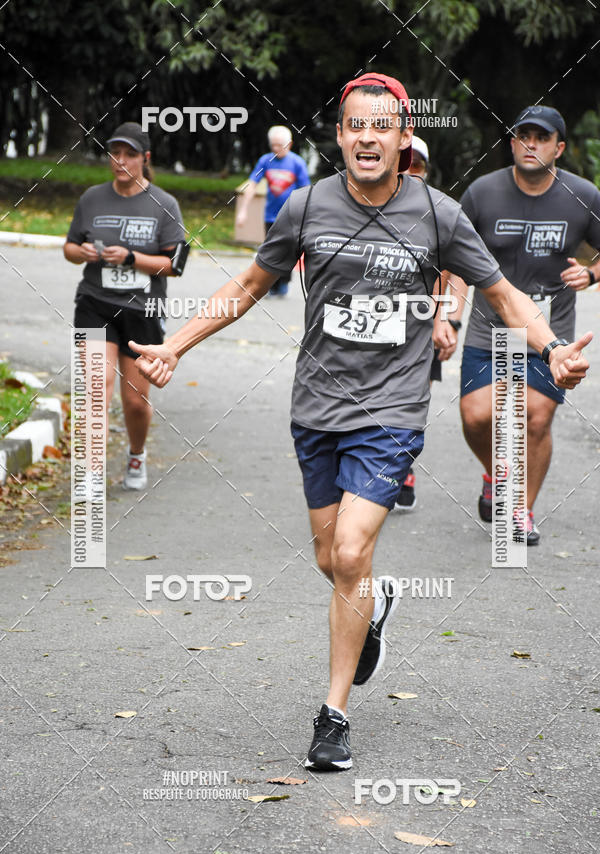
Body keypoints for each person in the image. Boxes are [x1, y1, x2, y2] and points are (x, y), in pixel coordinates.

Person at [129, 77, 591, 772]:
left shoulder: (437, 213)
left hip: (391, 410)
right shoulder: (308, 204)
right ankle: (373, 611)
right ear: (340, 136)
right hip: (316, 407)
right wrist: (175, 344)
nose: (368, 137)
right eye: (354, 126)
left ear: (405, 137)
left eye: (382, 126)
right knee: (332, 561)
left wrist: (551, 346)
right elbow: (247, 287)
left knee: (349, 553)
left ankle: (334, 713)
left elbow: (501, 293)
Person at [448, 105, 600, 544]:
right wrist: (449, 316)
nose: (530, 143)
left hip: (550, 332)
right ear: (512, 142)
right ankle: (497, 474)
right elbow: (454, 258)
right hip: (488, 324)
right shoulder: (481, 193)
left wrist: (590, 274)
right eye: (522, 135)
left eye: (541, 136)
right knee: (477, 417)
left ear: (559, 147)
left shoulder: (584, 196)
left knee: (535, 419)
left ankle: (520, 509)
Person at [64, 122, 185, 491]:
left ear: (145, 158)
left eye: (130, 154)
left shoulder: (164, 204)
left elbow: (174, 265)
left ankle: (136, 453)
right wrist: (81, 252)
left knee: (135, 400)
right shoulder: (92, 198)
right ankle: (91, 470)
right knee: (96, 385)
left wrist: (132, 258)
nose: (120, 160)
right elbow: (69, 249)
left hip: (142, 309)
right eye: (115, 153)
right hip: (95, 302)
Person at [395, 135, 466, 511]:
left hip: (422, 328)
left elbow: (458, 274)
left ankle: (401, 468)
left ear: (426, 169)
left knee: (410, 401)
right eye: (404, 163)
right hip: (373, 328)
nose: (410, 171)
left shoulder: (441, 213)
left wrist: (449, 320)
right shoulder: (369, 207)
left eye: (417, 165)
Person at [235, 125, 310, 295]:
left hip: (291, 216)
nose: (276, 149)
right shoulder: (265, 161)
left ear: (289, 145)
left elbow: (306, 191)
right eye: (273, 145)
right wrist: (243, 211)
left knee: (289, 250)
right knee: (269, 251)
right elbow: (252, 184)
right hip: (270, 215)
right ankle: (270, 285)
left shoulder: (297, 163)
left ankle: (283, 283)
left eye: (279, 145)